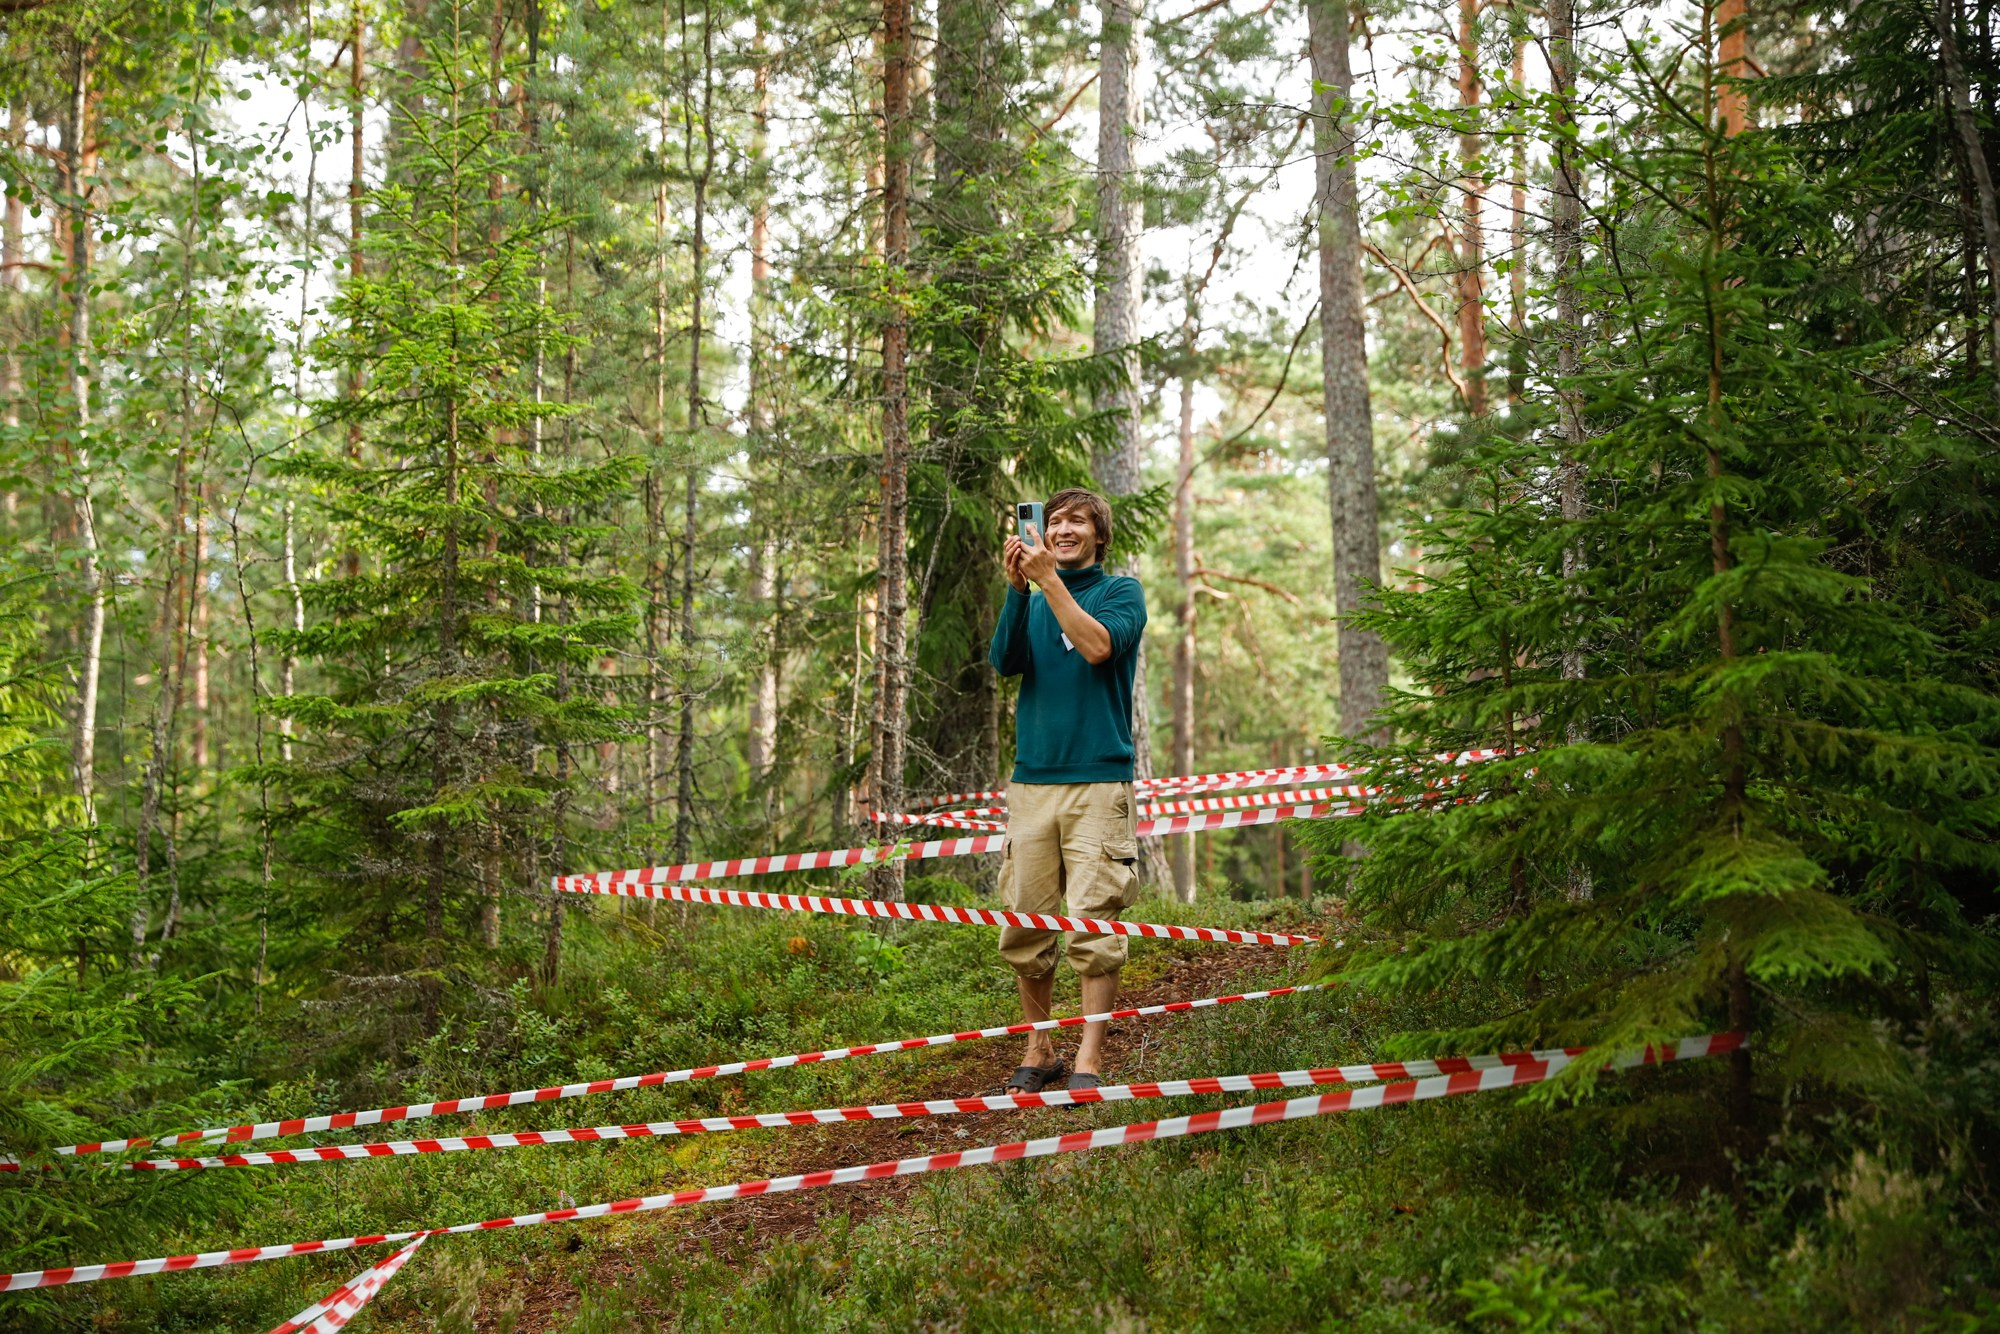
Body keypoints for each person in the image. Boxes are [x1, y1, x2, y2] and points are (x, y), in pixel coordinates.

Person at [988, 487, 1147, 1096]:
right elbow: (1004, 663)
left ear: (1098, 536)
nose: (1062, 529)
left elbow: (1097, 647)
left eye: (1077, 521)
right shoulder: (1033, 595)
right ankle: (1040, 1046)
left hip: (1098, 782)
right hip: (1032, 783)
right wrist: (1016, 589)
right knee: (1026, 927)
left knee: (1093, 925)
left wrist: (1049, 583)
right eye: (1053, 522)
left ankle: (1090, 1057)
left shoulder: (1119, 592)